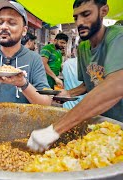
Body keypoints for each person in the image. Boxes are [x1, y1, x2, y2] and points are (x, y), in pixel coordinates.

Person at [27, 0, 123, 152]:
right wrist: (69, 93)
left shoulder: (117, 37)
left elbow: (117, 85)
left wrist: (54, 130)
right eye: (76, 17)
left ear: (103, 11)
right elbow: (89, 83)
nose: (80, 22)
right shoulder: (83, 47)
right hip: (100, 124)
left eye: (86, 14)